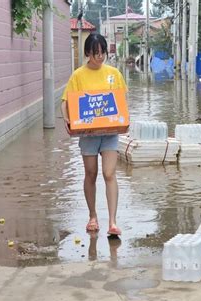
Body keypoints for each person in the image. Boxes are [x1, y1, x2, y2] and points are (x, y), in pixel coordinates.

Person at [61, 33, 127, 236]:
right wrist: (67, 120)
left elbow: (122, 100)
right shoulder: (78, 75)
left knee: (109, 173)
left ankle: (113, 222)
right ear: (87, 53)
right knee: (91, 174)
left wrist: (124, 121)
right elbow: (66, 102)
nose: (100, 57)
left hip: (110, 133)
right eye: (96, 53)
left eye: (103, 52)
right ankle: (92, 216)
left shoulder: (114, 73)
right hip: (88, 133)